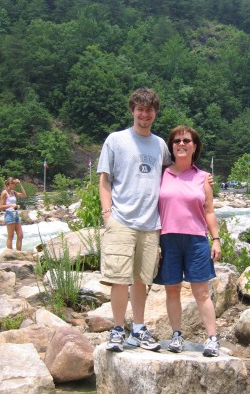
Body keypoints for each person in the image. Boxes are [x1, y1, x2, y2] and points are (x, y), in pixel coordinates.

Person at [97, 87, 171, 353]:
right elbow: (104, 180)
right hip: (122, 219)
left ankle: (138, 328)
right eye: (140, 109)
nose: (144, 114)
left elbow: (171, 175)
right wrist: (108, 215)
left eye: (149, 109)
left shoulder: (160, 144)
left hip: (151, 223)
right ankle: (117, 329)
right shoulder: (116, 140)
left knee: (142, 279)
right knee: (119, 278)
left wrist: (203, 177)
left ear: (155, 113)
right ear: (132, 110)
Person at [153, 126, 221, 357]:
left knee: (201, 292)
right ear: (171, 146)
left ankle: (212, 338)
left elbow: (209, 211)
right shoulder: (160, 174)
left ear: (194, 146)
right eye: (177, 141)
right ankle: (176, 335)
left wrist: (216, 239)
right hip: (168, 239)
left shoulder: (203, 178)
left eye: (187, 140)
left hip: (196, 240)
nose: (181, 144)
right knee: (171, 291)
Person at [0, 177, 27, 251]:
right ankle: (10, 254)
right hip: (9, 214)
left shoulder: (13, 192)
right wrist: (11, 205)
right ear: (9, 184)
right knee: (10, 236)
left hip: (15, 214)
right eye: (13, 183)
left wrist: (20, 184)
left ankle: (18, 253)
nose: (14, 184)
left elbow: (24, 195)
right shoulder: (4, 193)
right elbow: (1, 206)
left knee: (20, 235)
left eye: (15, 183)